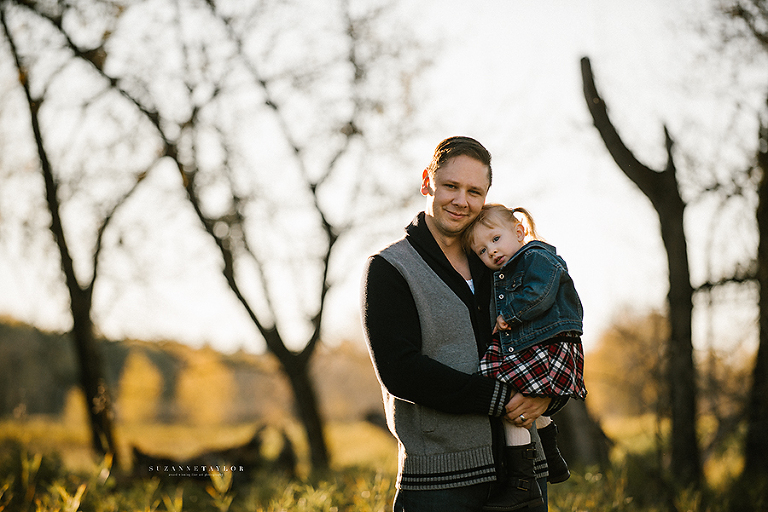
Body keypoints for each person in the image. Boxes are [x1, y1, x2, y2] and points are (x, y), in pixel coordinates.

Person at [362, 136, 564, 512]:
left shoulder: (502, 261)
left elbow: (557, 330)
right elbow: (400, 371)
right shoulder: (390, 269)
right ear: (427, 181)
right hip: (440, 484)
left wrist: (550, 394)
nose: (461, 201)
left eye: (475, 191)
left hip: (525, 478)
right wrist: (500, 399)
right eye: (450, 186)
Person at [461, 203, 587, 511]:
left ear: (518, 231)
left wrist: (508, 316)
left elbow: (541, 294)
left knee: (504, 392)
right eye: (480, 251)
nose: (490, 252)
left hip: (552, 345)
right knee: (511, 396)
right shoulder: (511, 266)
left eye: (495, 239)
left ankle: (523, 483)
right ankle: (551, 456)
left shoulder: (536, 256)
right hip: (537, 345)